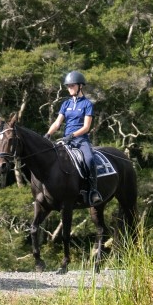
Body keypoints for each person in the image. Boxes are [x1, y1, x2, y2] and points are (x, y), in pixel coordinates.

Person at [46, 70, 100, 205]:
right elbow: (57, 123)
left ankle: (93, 191)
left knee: (89, 159)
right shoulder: (66, 104)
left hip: (80, 140)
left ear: (80, 86)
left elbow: (86, 127)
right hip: (65, 141)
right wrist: (48, 134)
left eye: (72, 86)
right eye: (68, 86)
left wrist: (72, 135)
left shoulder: (87, 104)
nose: (69, 88)